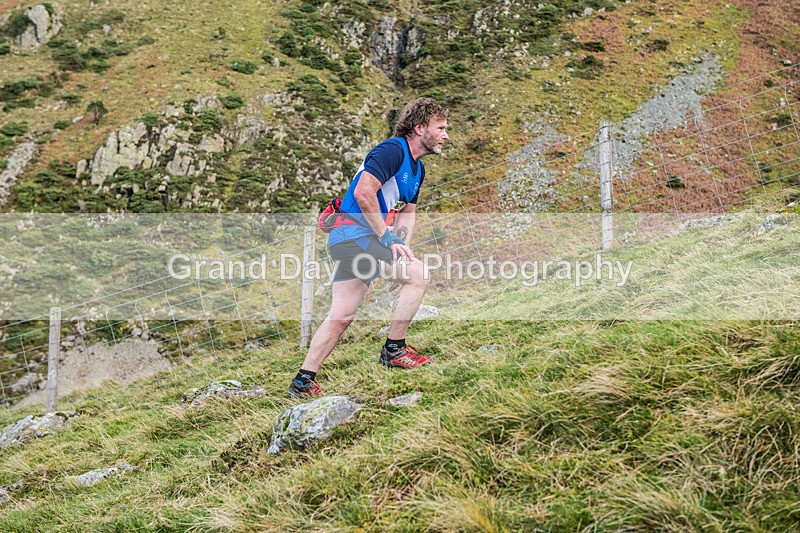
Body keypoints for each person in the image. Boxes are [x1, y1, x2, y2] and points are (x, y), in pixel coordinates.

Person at [288, 97, 449, 398]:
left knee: (342, 315)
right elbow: (364, 193)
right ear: (418, 128)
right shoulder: (391, 151)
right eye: (440, 127)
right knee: (420, 275)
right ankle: (394, 350)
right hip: (354, 234)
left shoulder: (418, 170)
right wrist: (388, 241)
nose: (445, 135)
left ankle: (302, 381)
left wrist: (400, 251)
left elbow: (407, 214)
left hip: (358, 240)